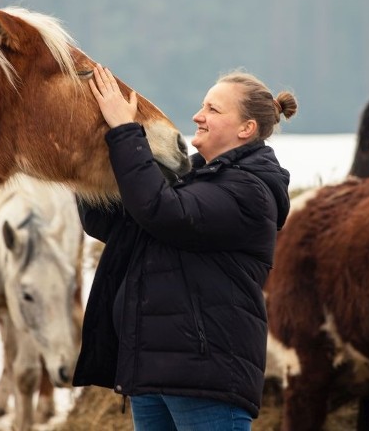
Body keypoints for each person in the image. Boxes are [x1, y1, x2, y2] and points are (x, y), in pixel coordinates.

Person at [73, 63, 298, 430]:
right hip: (151, 373)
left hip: (205, 380)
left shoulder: (251, 191)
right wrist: (86, 145)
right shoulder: (188, 180)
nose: (198, 115)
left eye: (213, 109)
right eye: (202, 106)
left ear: (247, 129)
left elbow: (162, 213)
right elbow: (108, 221)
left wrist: (126, 132)